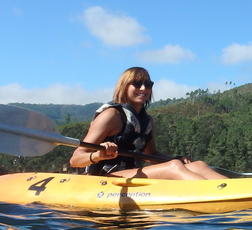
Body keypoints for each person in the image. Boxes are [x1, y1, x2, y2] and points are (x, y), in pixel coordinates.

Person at [69, 67, 227, 180]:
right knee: (174, 167)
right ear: (124, 87)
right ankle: (216, 194)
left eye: (148, 84)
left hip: (131, 173)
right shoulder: (111, 115)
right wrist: (98, 155)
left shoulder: (146, 120)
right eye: (137, 84)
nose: (143, 88)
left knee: (198, 165)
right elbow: (76, 159)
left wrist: (176, 158)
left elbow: (150, 155)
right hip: (103, 178)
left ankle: (235, 189)